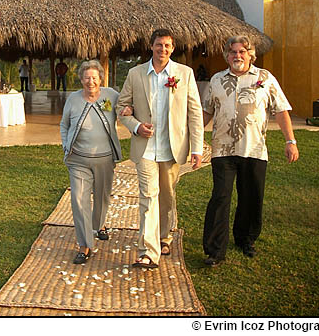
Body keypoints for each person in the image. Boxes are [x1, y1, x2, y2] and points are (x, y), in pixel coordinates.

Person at [201, 36, 299, 267]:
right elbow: (206, 112)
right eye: (233, 52)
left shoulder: (265, 78)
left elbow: (281, 110)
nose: (237, 56)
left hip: (254, 149)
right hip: (222, 150)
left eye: (242, 51)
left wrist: (290, 141)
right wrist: (190, 137)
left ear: (250, 55)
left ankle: (245, 239)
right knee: (220, 197)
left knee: (251, 197)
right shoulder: (216, 80)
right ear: (226, 55)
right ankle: (215, 251)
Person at [117, 28, 204, 269]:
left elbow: (195, 113)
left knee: (167, 196)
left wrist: (197, 147)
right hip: (145, 149)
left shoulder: (184, 74)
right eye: (158, 45)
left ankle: (165, 236)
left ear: (172, 48)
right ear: (151, 46)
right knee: (148, 196)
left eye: (167, 45)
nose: (162, 49)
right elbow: (122, 106)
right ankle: (148, 251)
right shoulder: (135, 74)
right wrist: (135, 127)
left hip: (172, 148)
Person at [60, 60, 123, 264]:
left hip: (104, 158)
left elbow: (126, 107)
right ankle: (85, 244)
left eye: (94, 77)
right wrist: (65, 144)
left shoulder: (111, 95)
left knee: (102, 196)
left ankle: (99, 224)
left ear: (100, 79)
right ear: (81, 79)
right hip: (78, 158)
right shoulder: (73, 99)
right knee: (79, 199)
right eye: (86, 78)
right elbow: (64, 124)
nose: (90, 81)